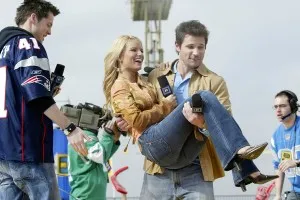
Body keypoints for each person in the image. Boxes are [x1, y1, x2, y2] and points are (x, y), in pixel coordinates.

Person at [104, 22, 277, 199]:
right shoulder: (157, 75)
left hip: (196, 166)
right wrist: (120, 124)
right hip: (159, 170)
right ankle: (244, 164)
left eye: (200, 47)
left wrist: (201, 124)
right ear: (177, 47)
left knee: (205, 96)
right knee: (203, 96)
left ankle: (242, 159)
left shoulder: (215, 81)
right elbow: (129, 108)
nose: (196, 52)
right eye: (190, 46)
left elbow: (224, 125)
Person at [0, 1, 89, 199]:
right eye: (48, 24)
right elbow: (38, 96)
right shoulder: (28, 44)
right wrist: (70, 128)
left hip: (4, 154)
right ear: (33, 17)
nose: (49, 32)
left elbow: (20, 97)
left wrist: (45, 92)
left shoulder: (3, 48)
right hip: (29, 151)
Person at [69, 117, 121, 200]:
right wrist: (108, 134)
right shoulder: (82, 137)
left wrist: (114, 140)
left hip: (93, 194)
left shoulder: (87, 136)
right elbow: (100, 155)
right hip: (85, 194)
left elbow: (104, 156)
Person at [271, 90, 300, 200]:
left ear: (293, 107)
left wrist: (296, 162)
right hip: (296, 191)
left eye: (282, 106)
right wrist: (278, 195)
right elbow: (278, 167)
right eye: (276, 107)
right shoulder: (275, 137)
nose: (278, 110)